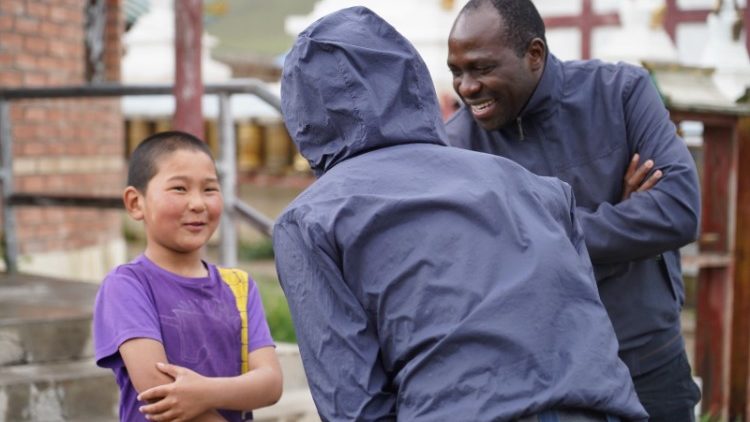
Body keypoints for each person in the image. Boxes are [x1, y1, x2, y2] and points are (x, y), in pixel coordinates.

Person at [274, 6, 648, 421]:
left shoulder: (310, 220)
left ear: (302, 114)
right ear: (412, 82)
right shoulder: (534, 187)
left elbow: (352, 400)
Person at [445, 0, 702, 419]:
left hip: (648, 362)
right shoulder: (457, 147)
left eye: (481, 67)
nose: (467, 87)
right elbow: (479, 261)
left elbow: (677, 211)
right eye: (457, 72)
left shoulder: (621, 93)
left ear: (534, 55)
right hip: (543, 380)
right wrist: (622, 215)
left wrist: (525, 234)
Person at [93, 131, 282, 422]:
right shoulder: (127, 285)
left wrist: (205, 392)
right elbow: (160, 392)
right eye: (179, 189)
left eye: (209, 189)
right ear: (135, 203)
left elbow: (270, 383)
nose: (198, 204)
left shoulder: (239, 286)